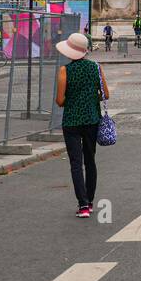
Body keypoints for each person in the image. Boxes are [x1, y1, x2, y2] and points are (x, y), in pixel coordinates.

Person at [55, 32, 109, 218]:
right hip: (91, 120)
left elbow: (60, 100)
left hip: (71, 121)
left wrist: (71, 99)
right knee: (90, 161)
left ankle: (83, 205)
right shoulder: (96, 67)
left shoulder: (65, 71)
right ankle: (91, 201)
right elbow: (105, 94)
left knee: (76, 163)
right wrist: (91, 97)